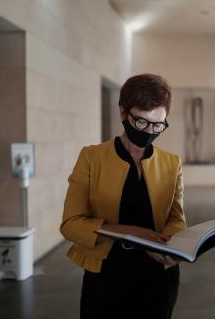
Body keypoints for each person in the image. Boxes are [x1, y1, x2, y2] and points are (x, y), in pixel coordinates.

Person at [60, 74, 186, 319]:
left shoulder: (172, 163)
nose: (149, 131)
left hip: (159, 274)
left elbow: (177, 218)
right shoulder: (91, 158)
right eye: (141, 122)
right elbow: (71, 224)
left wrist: (172, 241)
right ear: (122, 112)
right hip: (106, 274)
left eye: (157, 125)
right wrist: (129, 232)